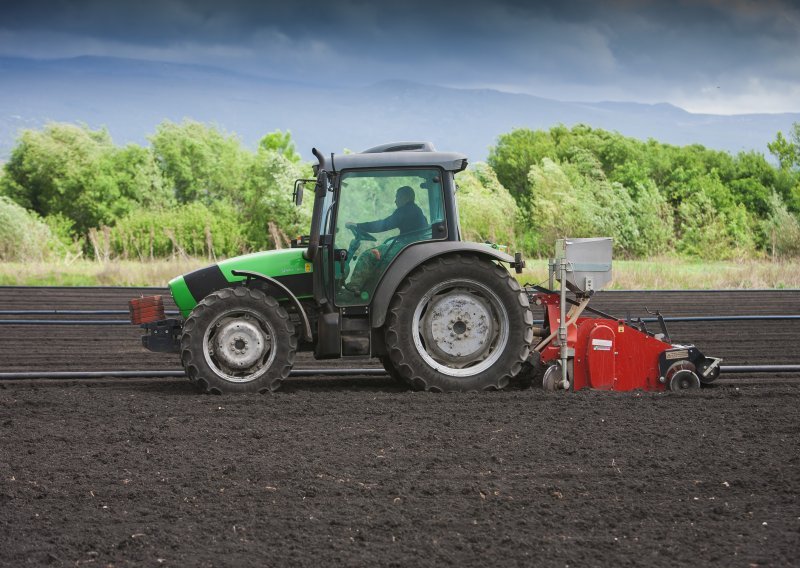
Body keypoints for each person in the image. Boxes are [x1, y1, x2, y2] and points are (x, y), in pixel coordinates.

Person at [344, 186, 428, 294]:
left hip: (406, 247)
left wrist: (358, 225)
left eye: (397, 197)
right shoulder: (415, 210)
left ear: (406, 197)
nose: (395, 201)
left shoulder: (406, 210)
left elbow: (383, 225)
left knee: (368, 256)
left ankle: (353, 289)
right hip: (410, 245)